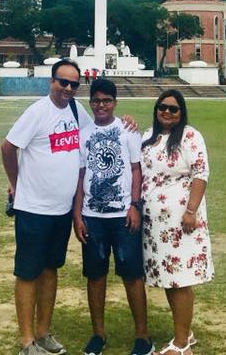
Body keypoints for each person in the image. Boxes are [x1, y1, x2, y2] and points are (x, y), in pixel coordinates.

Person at [1, 59, 138, 355]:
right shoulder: (38, 111)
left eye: (73, 84)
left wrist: (125, 120)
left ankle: (43, 332)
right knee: (28, 272)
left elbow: (100, 126)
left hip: (62, 209)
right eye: (62, 82)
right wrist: (16, 183)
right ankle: (27, 341)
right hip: (33, 207)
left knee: (51, 269)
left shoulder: (76, 111)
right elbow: (8, 147)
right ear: (51, 81)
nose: (67, 88)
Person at [73, 77, 152, 355]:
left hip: (123, 215)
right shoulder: (84, 133)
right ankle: (98, 334)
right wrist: (77, 215)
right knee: (95, 276)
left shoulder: (127, 130)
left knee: (132, 275)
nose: (101, 105)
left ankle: (142, 336)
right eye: (96, 101)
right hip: (92, 215)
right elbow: (81, 175)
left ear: (115, 103)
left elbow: (136, 170)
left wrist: (134, 205)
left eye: (106, 101)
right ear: (90, 102)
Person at [140, 90, 213, 355]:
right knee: (169, 278)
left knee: (180, 279)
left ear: (181, 113)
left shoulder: (189, 136)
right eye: (162, 107)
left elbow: (201, 173)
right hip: (155, 226)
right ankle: (185, 331)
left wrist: (191, 211)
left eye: (173, 109)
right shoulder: (149, 136)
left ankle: (181, 345)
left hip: (180, 223)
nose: (167, 112)